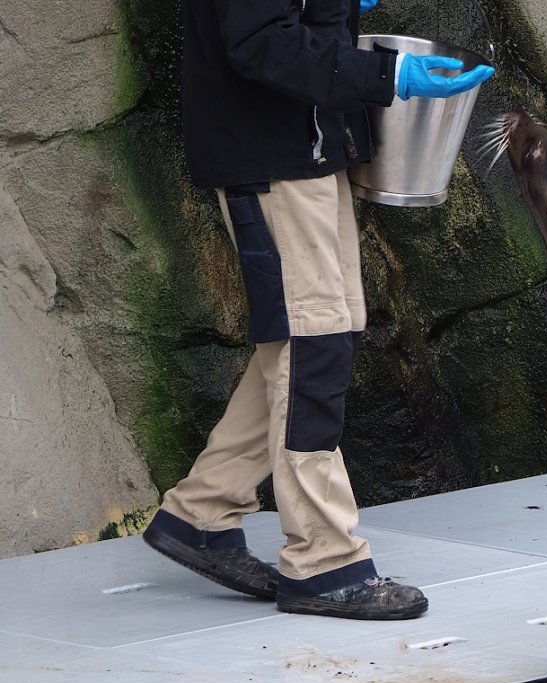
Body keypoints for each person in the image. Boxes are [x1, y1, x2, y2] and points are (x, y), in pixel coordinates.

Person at [143, 0, 492, 620]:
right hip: (270, 156)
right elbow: (259, 43)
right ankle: (323, 561)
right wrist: (386, 77)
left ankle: (202, 510)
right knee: (314, 342)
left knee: (322, 333)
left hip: (307, 150)